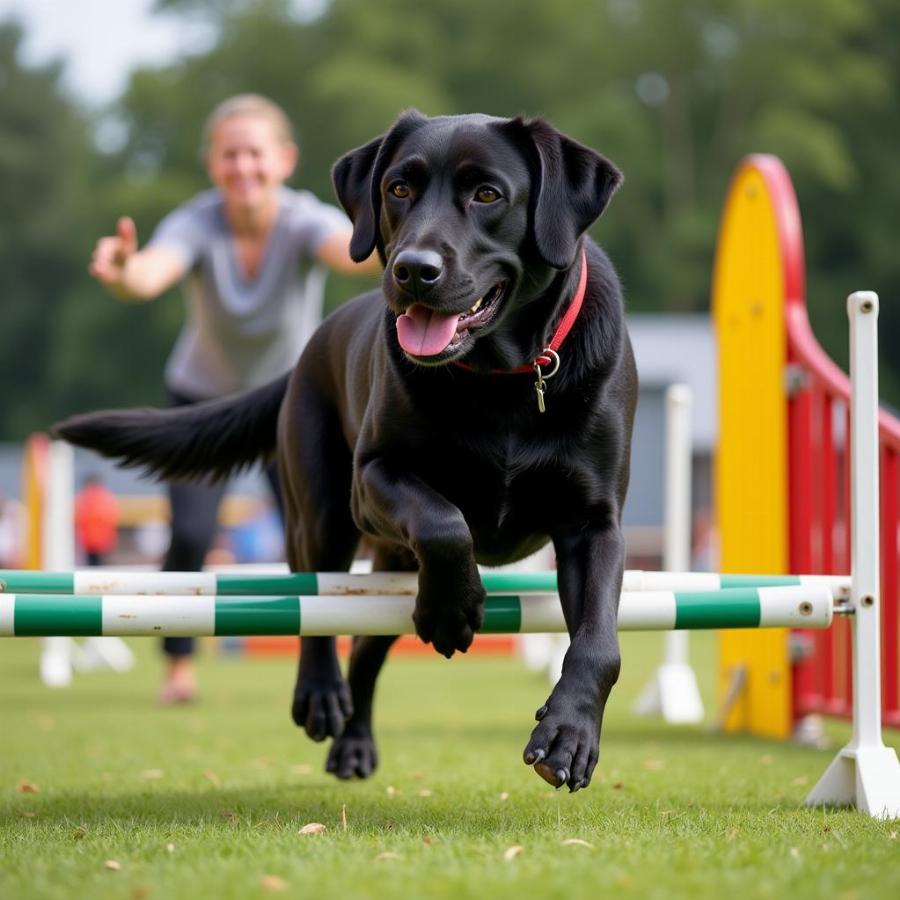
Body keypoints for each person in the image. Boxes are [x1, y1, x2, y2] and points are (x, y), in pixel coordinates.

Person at [88, 94, 379, 704]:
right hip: (201, 398)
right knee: (191, 535)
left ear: (283, 160)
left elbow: (354, 254)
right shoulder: (197, 222)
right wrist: (122, 272)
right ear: (212, 165)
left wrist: (418, 242)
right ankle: (178, 668)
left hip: (292, 401)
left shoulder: (303, 219)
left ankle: (320, 660)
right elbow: (152, 272)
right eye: (229, 155)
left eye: (254, 153)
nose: (242, 167)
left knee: (319, 529)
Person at [74, 474, 119, 566]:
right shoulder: (106, 496)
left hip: (88, 540)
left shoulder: (83, 497)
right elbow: (112, 517)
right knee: (101, 566)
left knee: (92, 565)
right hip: (104, 540)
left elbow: (78, 517)